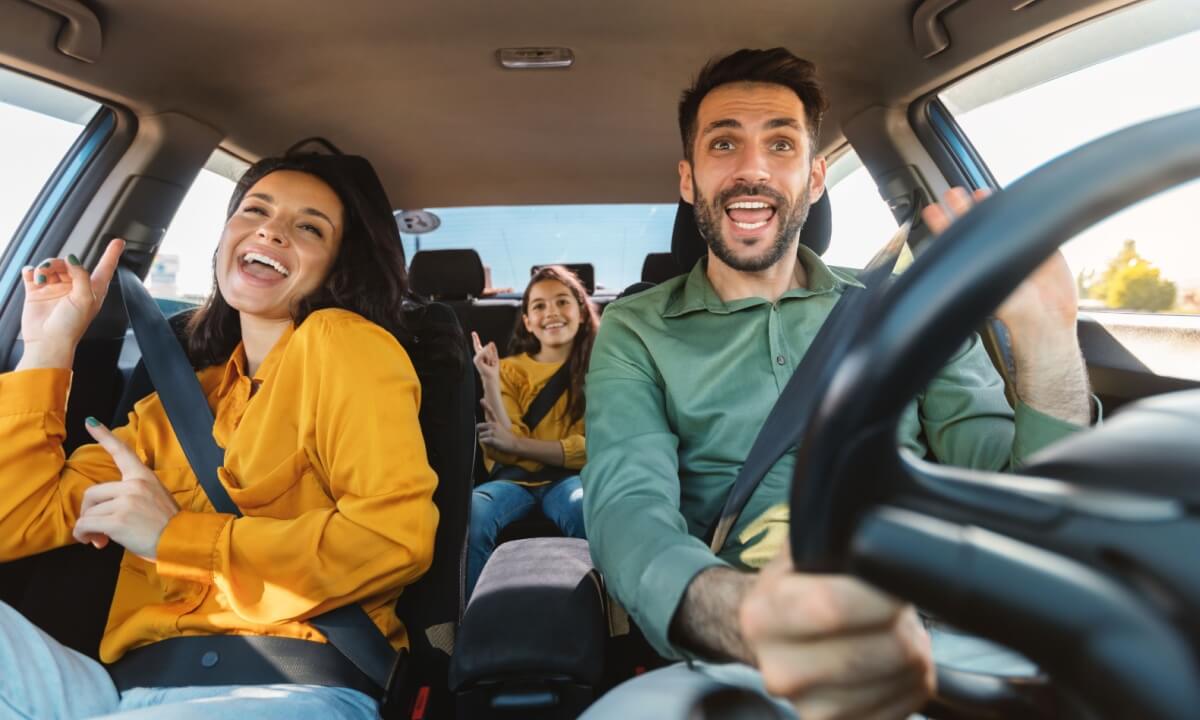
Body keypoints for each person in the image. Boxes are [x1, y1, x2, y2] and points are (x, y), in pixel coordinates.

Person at [581, 48, 1093, 719]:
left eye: (782, 144)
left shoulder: (903, 304)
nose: (753, 169)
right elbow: (628, 512)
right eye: (724, 143)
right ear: (689, 179)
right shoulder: (635, 329)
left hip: (935, 628)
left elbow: (1014, 493)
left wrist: (1049, 341)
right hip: (745, 651)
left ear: (816, 177)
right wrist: (754, 618)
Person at [0, 153, 440, 719]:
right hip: (117, 693)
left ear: (337, 267)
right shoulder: (173, 407)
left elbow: (392, 539)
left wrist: (174, 539)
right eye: (255, 209)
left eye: (308, 227)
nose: (270, 229)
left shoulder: (343, 344)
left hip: (287, 684)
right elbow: (14, 520)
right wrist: (48, 346)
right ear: (226, 237)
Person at [466, 265, 599, 597]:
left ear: (581, 312)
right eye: (539, 305)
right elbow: (501, 449)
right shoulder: (510, 370)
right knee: (474, 512)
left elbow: (596, 447)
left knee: (586, 507)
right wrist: (491, 383)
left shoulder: (602, 366)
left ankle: (603, 618)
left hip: (571, 481)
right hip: (512, 483)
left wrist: (519, 445)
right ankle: (470, 622)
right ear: (527, 321)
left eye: (562, 302)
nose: (551, 312)